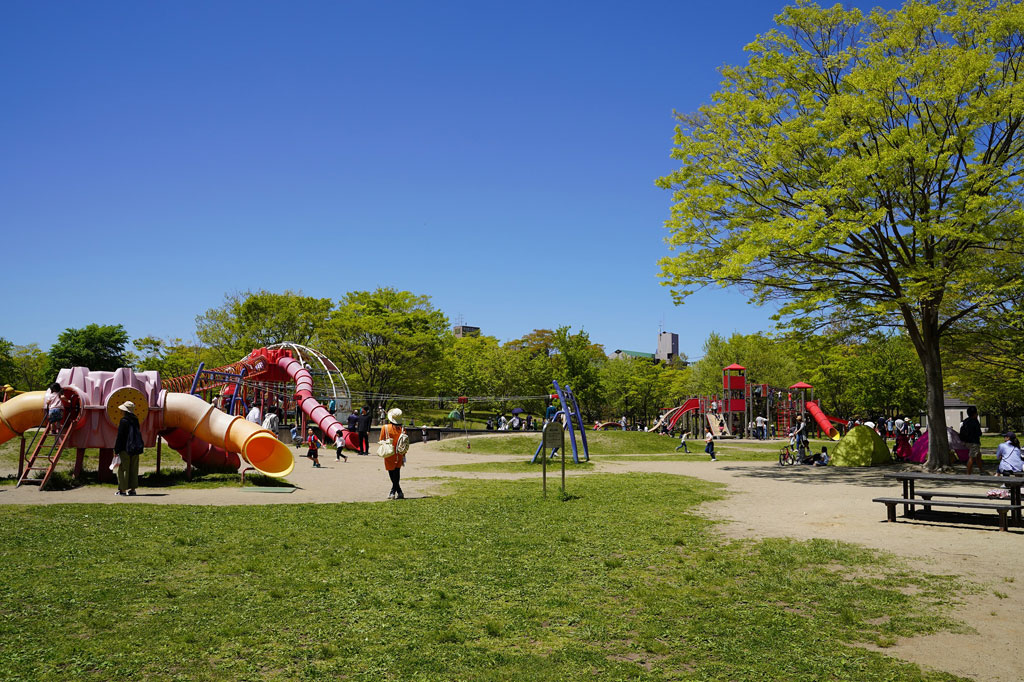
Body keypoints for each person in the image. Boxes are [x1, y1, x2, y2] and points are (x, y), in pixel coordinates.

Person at [114, 401, 143, 497]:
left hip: (125, 448)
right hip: (135, 448)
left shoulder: (123, 421)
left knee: (123, 469)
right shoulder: (135, 420)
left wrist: (117, 449)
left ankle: (122, 490)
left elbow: (120, 436)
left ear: (125, 411)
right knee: (133, 469)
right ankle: (132, 490)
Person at [380, 408, 407, 499]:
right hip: (399, 453)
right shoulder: (402, 429)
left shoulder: (385, 428)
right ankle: (398, 491)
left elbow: (381, 439)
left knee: (391, 472)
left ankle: (393, 491)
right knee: (397, 472)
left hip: (389, 452)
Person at [959, 406, 983, 475]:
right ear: (975, 413)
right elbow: (979, 433)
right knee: (972, 458)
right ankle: (968, 474)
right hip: (974, 442)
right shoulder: (975, 421)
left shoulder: (965, 421)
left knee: (978, 455)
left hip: (966, 441)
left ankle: (981, 470)